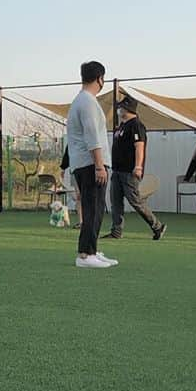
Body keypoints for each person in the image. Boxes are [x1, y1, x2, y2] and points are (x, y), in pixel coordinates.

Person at [65, 61, 117, 268]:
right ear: (100, 78)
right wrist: (99, 165)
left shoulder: (81, 100)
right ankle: (85, 255)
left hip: (84, 163)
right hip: (90, 164)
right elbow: (92, 135)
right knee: (92, 208)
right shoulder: (87, 102)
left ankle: (91, 248)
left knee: (95, 207)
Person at [106, 96, 166, 241]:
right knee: (116, 202)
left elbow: (139, 146)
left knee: (135, 201)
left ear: (128, 108)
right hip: (117, 170)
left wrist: (138, 166)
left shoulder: (136, 125)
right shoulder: (121, 126)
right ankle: (116, 231)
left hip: (129, 171)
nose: (119, 109)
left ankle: (157, 226)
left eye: (121, 107)